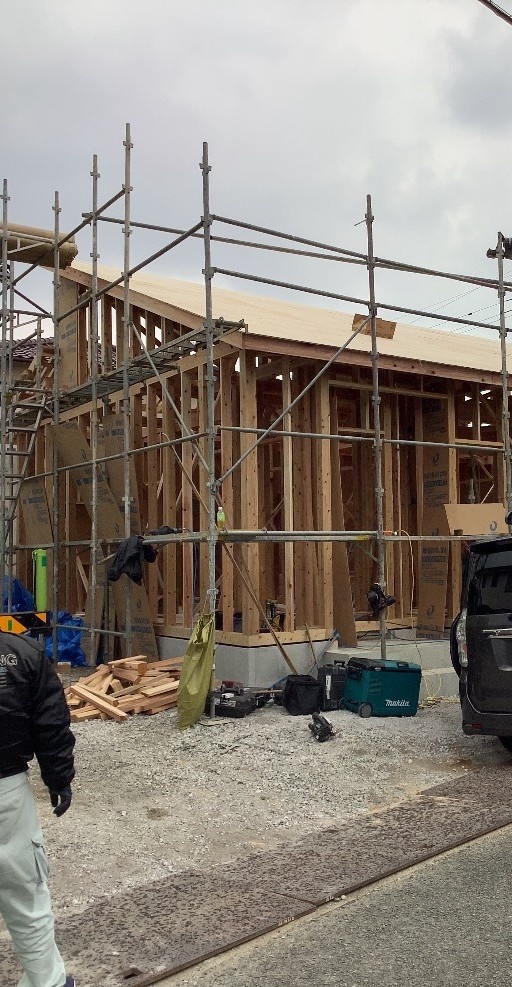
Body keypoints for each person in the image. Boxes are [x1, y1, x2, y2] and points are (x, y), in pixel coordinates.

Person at [0, 629, 76, 987]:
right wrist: (58, 777)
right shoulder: (22, 653)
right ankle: (48, 982)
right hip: (7, 793)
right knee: (26, 901)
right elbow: (50, 721)